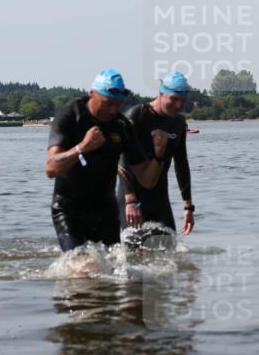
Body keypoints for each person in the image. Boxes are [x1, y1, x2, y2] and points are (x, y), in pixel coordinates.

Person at [45, 69, 168, 252]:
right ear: (92, 94)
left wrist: (159, 154)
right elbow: (51, 168)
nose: (112, 110)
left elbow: (147, 180)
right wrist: (82, 147)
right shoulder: (71, 115)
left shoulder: (122, 126)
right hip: (69, 210)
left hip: (105, 212)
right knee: (83, 267)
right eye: (107, 103)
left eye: (117, 105)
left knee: (118, 273)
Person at [118, 71, 195, 235]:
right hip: (132, 197)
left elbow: (181, 164)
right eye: (173, 99)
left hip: (159, 198)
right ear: (161, 94)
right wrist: (130, 200)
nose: (178, 105)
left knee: (170, 252)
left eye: (182, 100)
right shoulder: (137, 115)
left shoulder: (179, 123)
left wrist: (188, 206)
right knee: (134, 253)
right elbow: (121, 158)